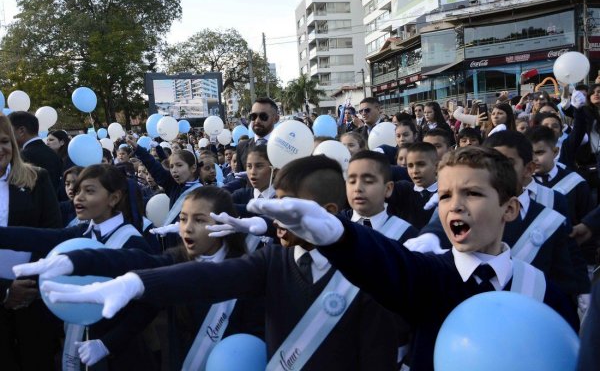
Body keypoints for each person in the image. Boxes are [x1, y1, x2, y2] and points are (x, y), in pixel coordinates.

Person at [35, 156, 401, 370]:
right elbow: (202, 277)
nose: (274, 217)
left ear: (327, 214)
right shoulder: (271, 259)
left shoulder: (369, 273)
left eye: (285, 207)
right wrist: (131, 282)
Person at [235, 146, 579, 371]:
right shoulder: (430, 275)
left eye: (472, 193)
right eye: (445, 196)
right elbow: (386, 264)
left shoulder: (542, 291)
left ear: (510, 208)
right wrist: (339, 235)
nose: (455, 205)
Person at [18, 186, 264, 370]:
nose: (187, 228)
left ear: (224, 224)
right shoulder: (174, 260)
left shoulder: (247, 271)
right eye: (182, 218)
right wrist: (75, 261)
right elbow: (126, 261)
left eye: (200, 220)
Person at [0, 163, 153, 370]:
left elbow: (148, 305)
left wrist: (107, 343)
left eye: (89, 191)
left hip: (119, 354)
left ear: (114, 198)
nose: (78, 197)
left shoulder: (133, 242)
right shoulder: (79, 233)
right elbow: (35, 237)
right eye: (78, 190)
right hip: (77, 344)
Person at [0, 113, 63, 370]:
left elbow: (52, 235)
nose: (0, 148)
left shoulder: (37, 178)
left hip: (33, 298)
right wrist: (4, 290)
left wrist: (27, 288)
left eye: (4, 140)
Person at [345, 151, 418, 243]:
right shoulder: (335, 226)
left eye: (368, 181)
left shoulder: (407, 235)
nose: (358, 188)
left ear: (388, 189)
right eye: (352, 181)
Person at [527, 126, 593, 226]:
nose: (534, 159)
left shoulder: (576, 183)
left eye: (539, 152)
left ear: (555, 152)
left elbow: (587, 223)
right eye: (529, 154)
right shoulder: (523, 184)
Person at [388, 142, 438, 229]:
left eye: (421, 164)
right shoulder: (403, 189)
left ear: (437, 166)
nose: (415, 171)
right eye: (410, 166)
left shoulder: (446, 193)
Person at [8, 111, 63, 190]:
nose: (7, 134)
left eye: (9, 130)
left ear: (21, 130)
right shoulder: (54, 154)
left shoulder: (23, 156)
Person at [236, 98, 280, 172]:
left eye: (263, 116)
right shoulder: (241, 147)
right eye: (253, 116)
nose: (257, 120)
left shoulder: (283, 146)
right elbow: (240, 180)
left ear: (276, 119)